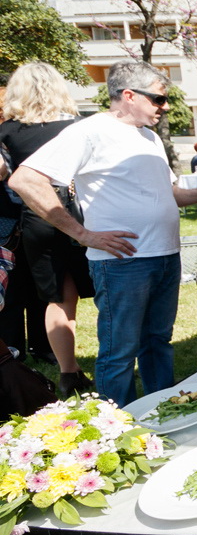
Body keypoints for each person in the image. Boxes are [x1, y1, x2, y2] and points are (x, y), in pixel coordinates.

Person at [9, 61, 197, 404]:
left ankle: (166, 411)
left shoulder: (149, 137)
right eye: (158, 99)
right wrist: (83, 234)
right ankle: (120, 426)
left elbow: (173, 194)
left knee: (157, 342)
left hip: (165, 256)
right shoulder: (88, 131)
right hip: (121, 262)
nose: (164, 107)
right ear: (128, 95)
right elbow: (25, 180)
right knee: (119, 352)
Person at [0, 62, 95, 395]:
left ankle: (69, 372)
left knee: (58, 299)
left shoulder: (7, 131)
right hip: (86, 216)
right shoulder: (79, 126)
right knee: (107, 293)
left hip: (38, 220)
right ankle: (119, 356)